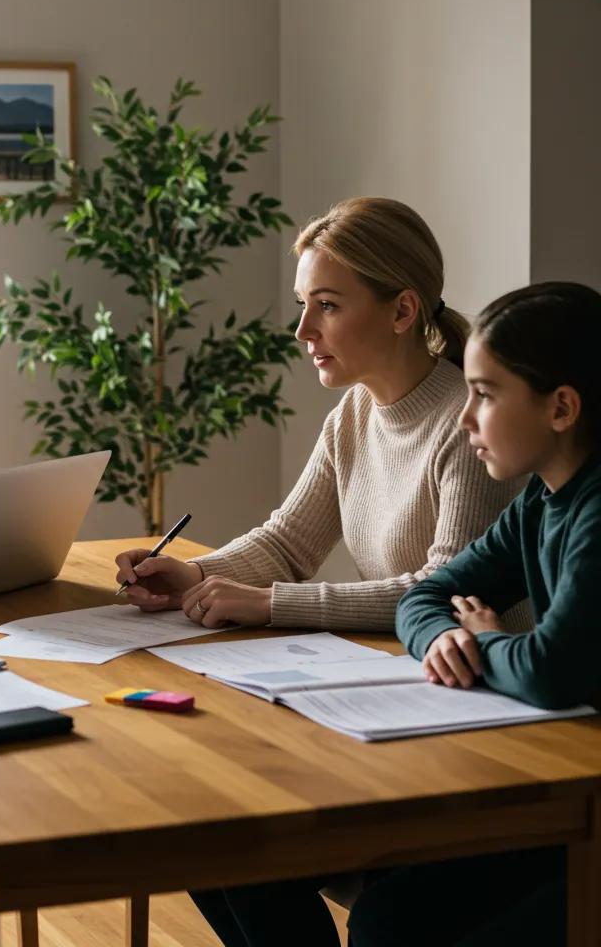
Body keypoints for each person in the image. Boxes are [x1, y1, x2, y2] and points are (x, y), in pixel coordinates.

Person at [114, 197, 524, 946]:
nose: (303, 332)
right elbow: (287, 541)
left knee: (248, 842)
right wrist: (192, 572)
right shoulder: (357, 415)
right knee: (205, 829)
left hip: (474, 727)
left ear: (403, 310)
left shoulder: (469, 427)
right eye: (304, 306)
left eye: (326, 307)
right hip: (396, 702)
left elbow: (436, 591)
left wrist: (270, 603)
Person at [348, 281, 601, 947]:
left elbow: (552, 669)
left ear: (562, 408)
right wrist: (448, 637)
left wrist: (486, 643)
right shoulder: (540, 502)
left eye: (485, 395)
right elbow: (422, 599)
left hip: (586, 815)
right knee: (384, 912)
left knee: (394, 924)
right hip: (570, 794)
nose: (464, 420)